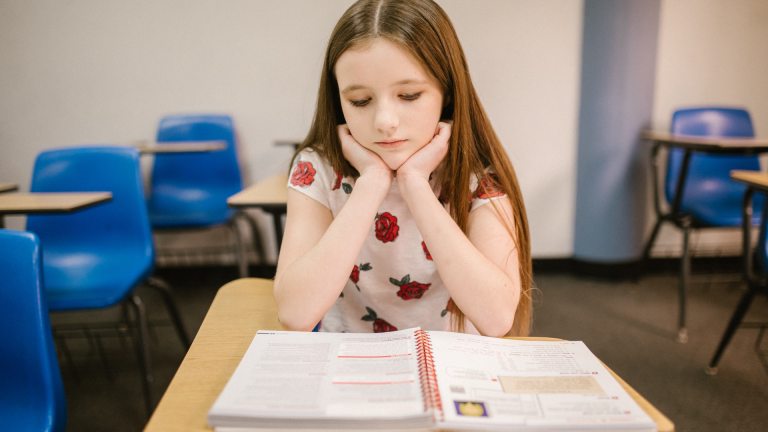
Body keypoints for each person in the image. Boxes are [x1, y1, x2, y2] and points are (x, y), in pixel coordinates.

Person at [274, 0, 532, 337]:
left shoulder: (477, 174)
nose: (384, 122)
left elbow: (497, 318)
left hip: (452, 365)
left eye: (409, 95)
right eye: (360, 101)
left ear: (448, 94)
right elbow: (295, 314)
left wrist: (415, 184)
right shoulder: (317, 167)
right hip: (352, 363)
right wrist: (371, 183)